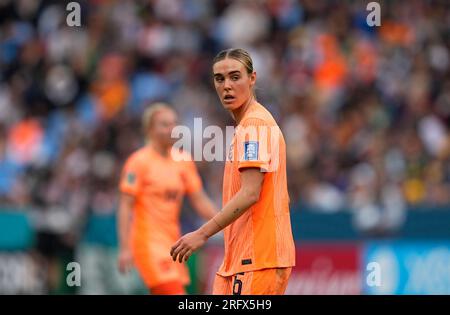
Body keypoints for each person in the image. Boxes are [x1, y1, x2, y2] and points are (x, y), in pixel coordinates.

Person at [170, 48, 295, 295]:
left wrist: (202, 234)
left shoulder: (255, 125)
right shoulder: (246, 126)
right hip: (241, 258)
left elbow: (250, 193)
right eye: (220, 78)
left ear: (252, 78)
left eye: (235, 77)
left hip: (259, 259)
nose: (227, 85)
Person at [118, 103, 218, 295]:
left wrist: (226, 223)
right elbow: (125, 206)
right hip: (148, 243)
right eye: (164, 125)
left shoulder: (183, 161)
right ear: (149, 129)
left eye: (174, 124)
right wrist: (124, 247)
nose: (172, 129)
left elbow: (200, 200)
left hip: (174, 244)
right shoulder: (139, 162)